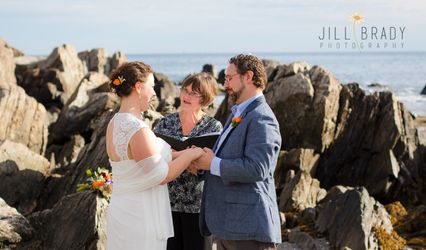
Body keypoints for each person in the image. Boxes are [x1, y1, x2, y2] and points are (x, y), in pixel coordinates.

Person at [105, 61, 204, 250]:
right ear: (138, 87)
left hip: (121, 211)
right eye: (151, 87)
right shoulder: (136, 129)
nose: (154, 93)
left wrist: (178, 155)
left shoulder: (114, 123)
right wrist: (192, 153)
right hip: (140, 216)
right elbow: (162, 175)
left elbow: (140, 162)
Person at [195, 54, 282, 250]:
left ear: (248, 77)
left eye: (229, 78)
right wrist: (202, 164)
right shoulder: (239, 113)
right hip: (230, 227)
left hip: (249, 230)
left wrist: (212, 164)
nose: (225, 85)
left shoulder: (262, 118)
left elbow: (258, 168)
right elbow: (225, 159)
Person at [154, 73, 223, 250]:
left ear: (205, 98)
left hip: (198, 206)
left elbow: (211, 166)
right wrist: (189, 157)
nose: (186, 96)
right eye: (185, 90)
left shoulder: (213, 127)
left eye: (194, 93)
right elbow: (154, 160)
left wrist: (177, 156)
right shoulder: (164, 123)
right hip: (166, 204)